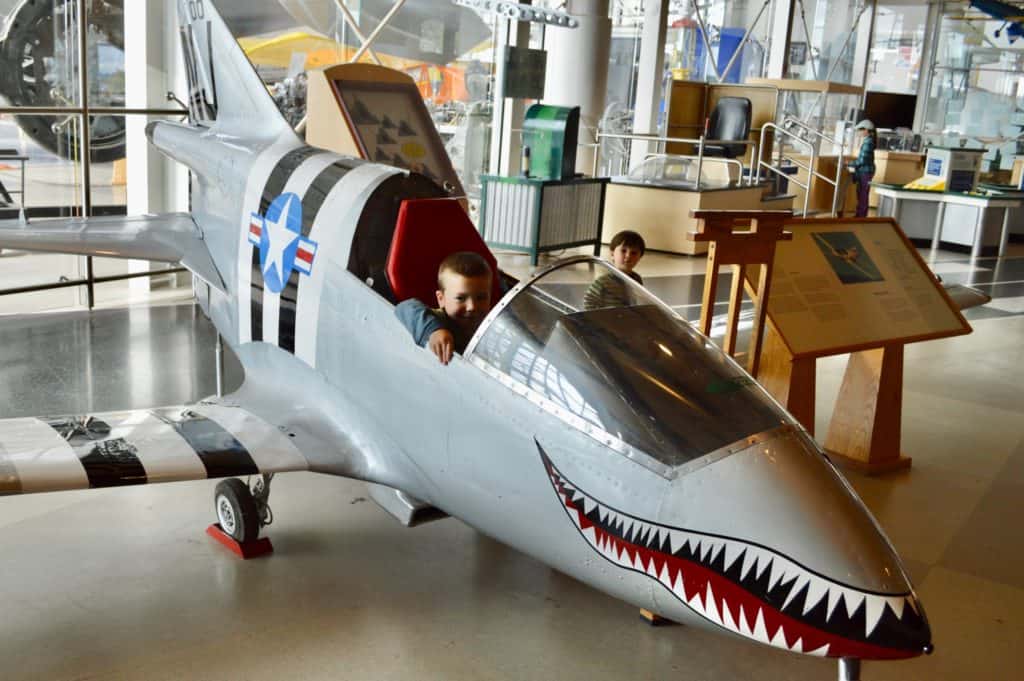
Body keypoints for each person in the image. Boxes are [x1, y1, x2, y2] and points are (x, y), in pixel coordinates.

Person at [395, 251, 493, 365]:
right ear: (441, 299)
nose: (472, 307)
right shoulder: (438, 318)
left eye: (481, 297)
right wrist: (434, 330)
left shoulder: (491, 324)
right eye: (460, 298)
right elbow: (405, 307)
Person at [583, 230, 646, 310]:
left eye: (634, 253)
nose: (628, 256)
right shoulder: (603, 281)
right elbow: (589, 302)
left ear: (639, 257)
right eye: (623, 251)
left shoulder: (637, 279)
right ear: (612, 254)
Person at [848, 119, 876, 218]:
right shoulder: (869, 141)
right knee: (862, 193)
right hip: (866, 171)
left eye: (860, 130)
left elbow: (862, 160)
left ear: (866, 130)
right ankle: (860, 214)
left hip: (865, 172)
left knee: (863, 194)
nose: (859, 132)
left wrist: (850, 164)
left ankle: (861, 216)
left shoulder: (868, 142)